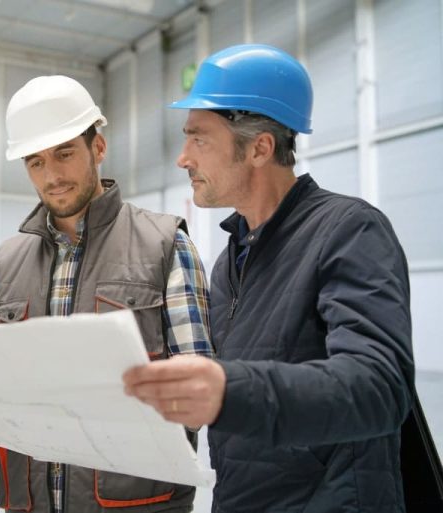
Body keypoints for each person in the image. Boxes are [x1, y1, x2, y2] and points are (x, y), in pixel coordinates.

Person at [123, 44, 415, 512]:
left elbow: (378, 385)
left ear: (259, 148)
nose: (183, 158)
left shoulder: (349, 230)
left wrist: (229, 390)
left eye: (199, 139)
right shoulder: (231, 261)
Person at [0, 74, 213, 512]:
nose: (52, 175)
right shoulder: (8, 261)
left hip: (135, 502)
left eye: (64, 154)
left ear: (97, 148)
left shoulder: (164, 245)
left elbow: (200, 391)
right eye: (36, 162)